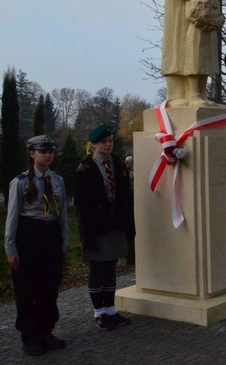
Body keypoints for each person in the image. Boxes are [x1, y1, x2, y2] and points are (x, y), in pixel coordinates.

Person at [4, 136, 69, 356]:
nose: (48, 155)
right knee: (27, 288)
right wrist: (11, 249)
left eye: (50, 151)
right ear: (32, 154)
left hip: (51, 236)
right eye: (42, 151)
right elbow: (12, 217)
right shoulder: (20, 182)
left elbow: (63, 216)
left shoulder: (57, 180)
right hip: (29, 236)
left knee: (49, 286)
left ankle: (46, 331)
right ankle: (30, 336)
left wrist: (63, 242)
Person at [74, 125, 135, 330]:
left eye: (110, 141)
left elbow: (126, 196)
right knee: (97, 268)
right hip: (96, 225)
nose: (108, 145)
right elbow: (81, 206)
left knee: (111, 266)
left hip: (115, 222)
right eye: (103, 142)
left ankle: (110, 309)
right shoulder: (86, 168)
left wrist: (128, 225)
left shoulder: (118, 164)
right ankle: (99, 312)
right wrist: (86, 234)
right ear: (94, 145)